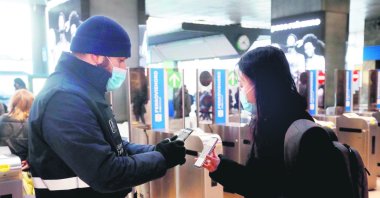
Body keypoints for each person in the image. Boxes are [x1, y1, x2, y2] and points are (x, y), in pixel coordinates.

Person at [28, 16, 186, 198]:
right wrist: (162, 159)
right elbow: (106, 172)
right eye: (120, 60)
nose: (124, 68)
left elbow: (114, 146)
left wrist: (155, 151)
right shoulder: (65, 99)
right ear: (96, 56)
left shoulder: (84, 91)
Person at [201, 46, 351, 198]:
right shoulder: (299, 117)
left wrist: (221, 169)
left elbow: (260, 186)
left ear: (260, 83)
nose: (242, 90)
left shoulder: (273, 126)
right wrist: (219, 166)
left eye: (243, 83)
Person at [0, 89, 33, 169]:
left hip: (5, 166)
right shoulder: (33, 122)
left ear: (12, 103)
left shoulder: (2, 119)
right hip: (27, 166)